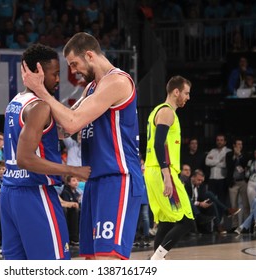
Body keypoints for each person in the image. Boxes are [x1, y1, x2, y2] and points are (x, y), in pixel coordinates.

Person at [22, 33, 144, 260]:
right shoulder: (91, 88)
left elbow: (71, 121)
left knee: (108, 261)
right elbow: (64, 128)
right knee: (91, 259)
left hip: (117, 178)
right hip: (95, 180)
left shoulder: (117, 81)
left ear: (89, 55)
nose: (74, 71)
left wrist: (41, 91)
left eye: (75, 64)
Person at [1, 43, 91, 260]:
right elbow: (25, 158)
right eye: (56, 74)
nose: (58, 79)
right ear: (39, 72)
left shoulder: (16, 102)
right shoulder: (40, 106)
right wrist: (72, 170)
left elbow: (55, 132)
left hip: (10, 193)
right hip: (35, 192)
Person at [144, 75, 195, 260]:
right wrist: (167, 175)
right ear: (176, 92)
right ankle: (156, 260)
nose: (188, 97)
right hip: (162, 170)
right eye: (186, 93)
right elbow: (159, 145)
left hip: (153, 170)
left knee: (166, 221)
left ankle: (158, 262)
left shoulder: (156, 111)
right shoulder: (167, 112)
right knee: (187, 221)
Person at [226, 138, 249, 229]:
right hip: (233, 182)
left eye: (241, 144)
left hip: (243, 181)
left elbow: (246, 165)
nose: (240, 146)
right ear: (234, 145)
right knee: (233, 205)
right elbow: (229, 166)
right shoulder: (229, 155)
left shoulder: (245, 155)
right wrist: (235, 157)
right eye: (238, 144)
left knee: (245, 204)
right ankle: (234, 225)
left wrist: (239, 155)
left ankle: (246, 225)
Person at [205, 134, 231, 207]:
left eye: (221, 140)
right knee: (210, 200)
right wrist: (219, 160)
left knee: (221, 200)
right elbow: (207, 162)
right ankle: (212, 217)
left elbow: (225, 164)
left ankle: (221, 218)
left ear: (225, 142)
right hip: (212, 179)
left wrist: (213, 161)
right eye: (218, 140)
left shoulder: (228, 151)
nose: (219, 142)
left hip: (222, 179)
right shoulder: (212, 151)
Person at [60, 175, 82, 246]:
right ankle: (73, 239)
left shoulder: (78, 192)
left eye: (77, 180)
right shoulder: (65, 192)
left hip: (77, 213)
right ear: (68, 183)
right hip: (70, 214)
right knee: (74, 211)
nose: (76, 182)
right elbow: (65, 204)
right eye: (74, 180)